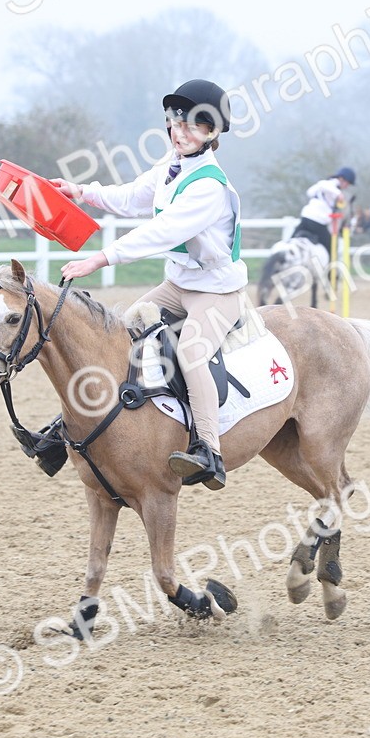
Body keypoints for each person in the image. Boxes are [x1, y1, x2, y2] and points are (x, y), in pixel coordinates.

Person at [54, 79, 244, 491]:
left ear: (212, 134)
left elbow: (160, 231)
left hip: (216, 292)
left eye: (192, 126)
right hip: (177, 285)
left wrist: (100, 258)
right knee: (120, 331)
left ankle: (209, 450)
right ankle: (68, 424)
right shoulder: (171, 168)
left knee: (192, 353)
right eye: (175, 122)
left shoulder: (209, 186)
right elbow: (131, 197)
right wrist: (81, 192)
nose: (179, 132)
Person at [296, 167, 355, 252]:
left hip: (306, 217)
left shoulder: (328, 188)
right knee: (330, 248)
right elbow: (322, 184)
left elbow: (309, 192)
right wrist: (338, 194)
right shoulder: (333, 184)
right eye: (348, 183)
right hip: (318, 221)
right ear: (342, 179)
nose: (347, 186)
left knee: (291, 242)